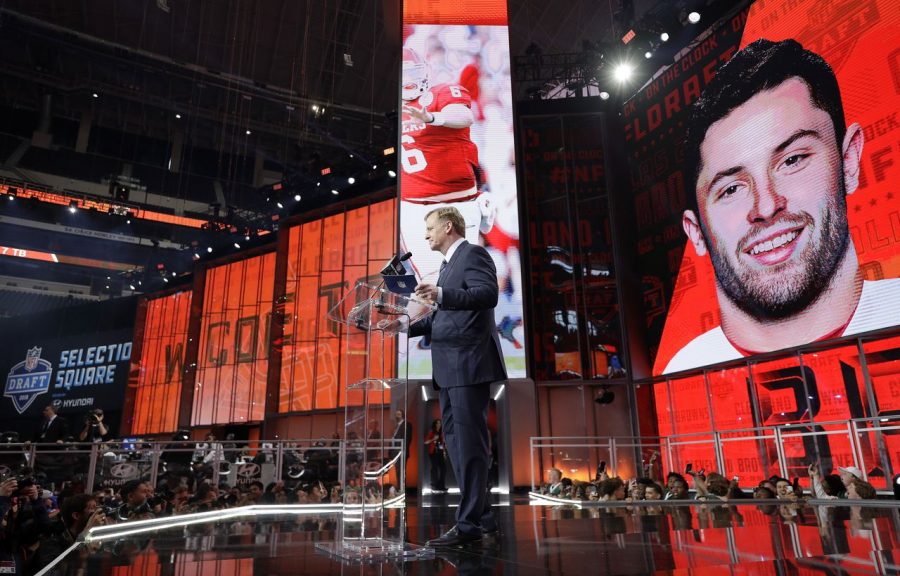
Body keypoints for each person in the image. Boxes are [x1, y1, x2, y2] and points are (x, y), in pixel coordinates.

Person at [665, 39, 900, 374]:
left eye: (792, 160)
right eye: (731, 189)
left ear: (848, 161)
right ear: (696, 232)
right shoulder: (684, 372)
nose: (767, 205)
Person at [406, 206, 507, 547]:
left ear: (448, 226)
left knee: (470, 446)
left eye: (430, 228)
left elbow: (487, 295)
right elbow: (439, 320)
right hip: (449, 369)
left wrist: (442, 294)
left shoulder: (473, 254)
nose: (425, 235)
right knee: (459, 448)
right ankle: (485, 518)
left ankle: (468, 527)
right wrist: (402, 326)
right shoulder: (448, 267)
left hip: (468, 364)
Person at [399, 47, 496, 281]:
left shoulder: (441, 93)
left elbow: (464, 115)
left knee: (458, 276)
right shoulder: (393, 110)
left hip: (457, 200)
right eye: (406, 74)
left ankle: (480, 204)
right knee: (431, 280)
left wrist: (432, 118)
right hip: (413, 206)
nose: (410, 81)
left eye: (413, 73)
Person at [424, 419, 447, 492]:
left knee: (443, 469)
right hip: (433, 452)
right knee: (434, 469)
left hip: (440, 452)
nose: (439, 425)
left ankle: (441, 485)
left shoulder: (441, 433)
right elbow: (425, 442)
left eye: (440, 423)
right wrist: (433, 439)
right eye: (437, 423)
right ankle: (434, 485)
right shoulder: (432, 432)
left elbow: (443, 444)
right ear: (435, 425)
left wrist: (444, 452)